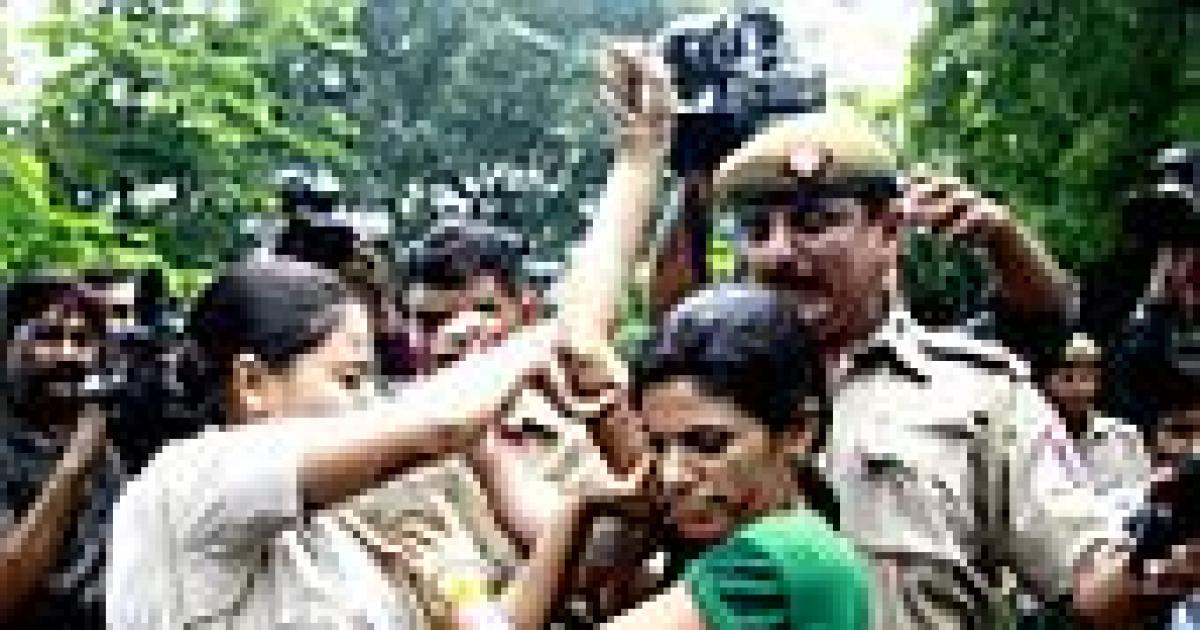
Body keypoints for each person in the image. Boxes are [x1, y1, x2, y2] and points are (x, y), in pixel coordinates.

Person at [703, 107, 1198, 628]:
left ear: (888, 232)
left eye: (813, 224)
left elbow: (1089, 578)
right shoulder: (703, 396)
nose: (779, 252)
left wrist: (1164, 561)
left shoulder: (980, 394)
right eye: (757, 230)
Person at [342, 41, 677, 628]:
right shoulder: (376, 444)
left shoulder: (585, 427)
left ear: (524, 315)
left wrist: (641, 156)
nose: (453, 337)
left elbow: (608, 560)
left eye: (479, 313)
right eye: (430, 321)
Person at [105, 257, 570, 628]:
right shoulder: (189, 481)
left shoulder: (338, 530)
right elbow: (441, 424)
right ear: (251, 383)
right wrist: (553, 337)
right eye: (349, 379)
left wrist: (461, 594)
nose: (368, 402)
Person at [0, 273, 126, 627]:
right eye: (48, 336)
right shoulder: (82, 448)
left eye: (81, 340)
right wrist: (72, 468)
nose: (67, 355)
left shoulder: (98, 439)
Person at [1038, 331, 1148, 497]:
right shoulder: (1029, 437)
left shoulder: (1124, 437)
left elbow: (1137, 498)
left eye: (1087, 378)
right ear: (1048, 381)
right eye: (1067, 378)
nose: (1078, 389)